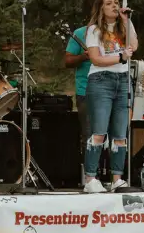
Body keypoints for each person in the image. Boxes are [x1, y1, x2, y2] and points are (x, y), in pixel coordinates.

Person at [83, 0, 138, 193]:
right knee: (99, 132)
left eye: (116, 2)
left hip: (123, 80)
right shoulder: (94, 30)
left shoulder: (125, 26)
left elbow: (134, 46)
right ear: (101, 8)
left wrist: (127, 20)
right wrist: (120, 59)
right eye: (109, 3)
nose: (114, 6)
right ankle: (90, 178)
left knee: (120, 133)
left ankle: (117, 178)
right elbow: (95, 59)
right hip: (101, 80)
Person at [64, 24, 91, 181]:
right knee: (89, 134)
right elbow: (68, 60)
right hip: (86, 90)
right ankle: (89, 177)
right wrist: (83, 56)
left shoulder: (114, 34)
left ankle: (112, 175)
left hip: (111, 90)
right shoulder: (80, 33)